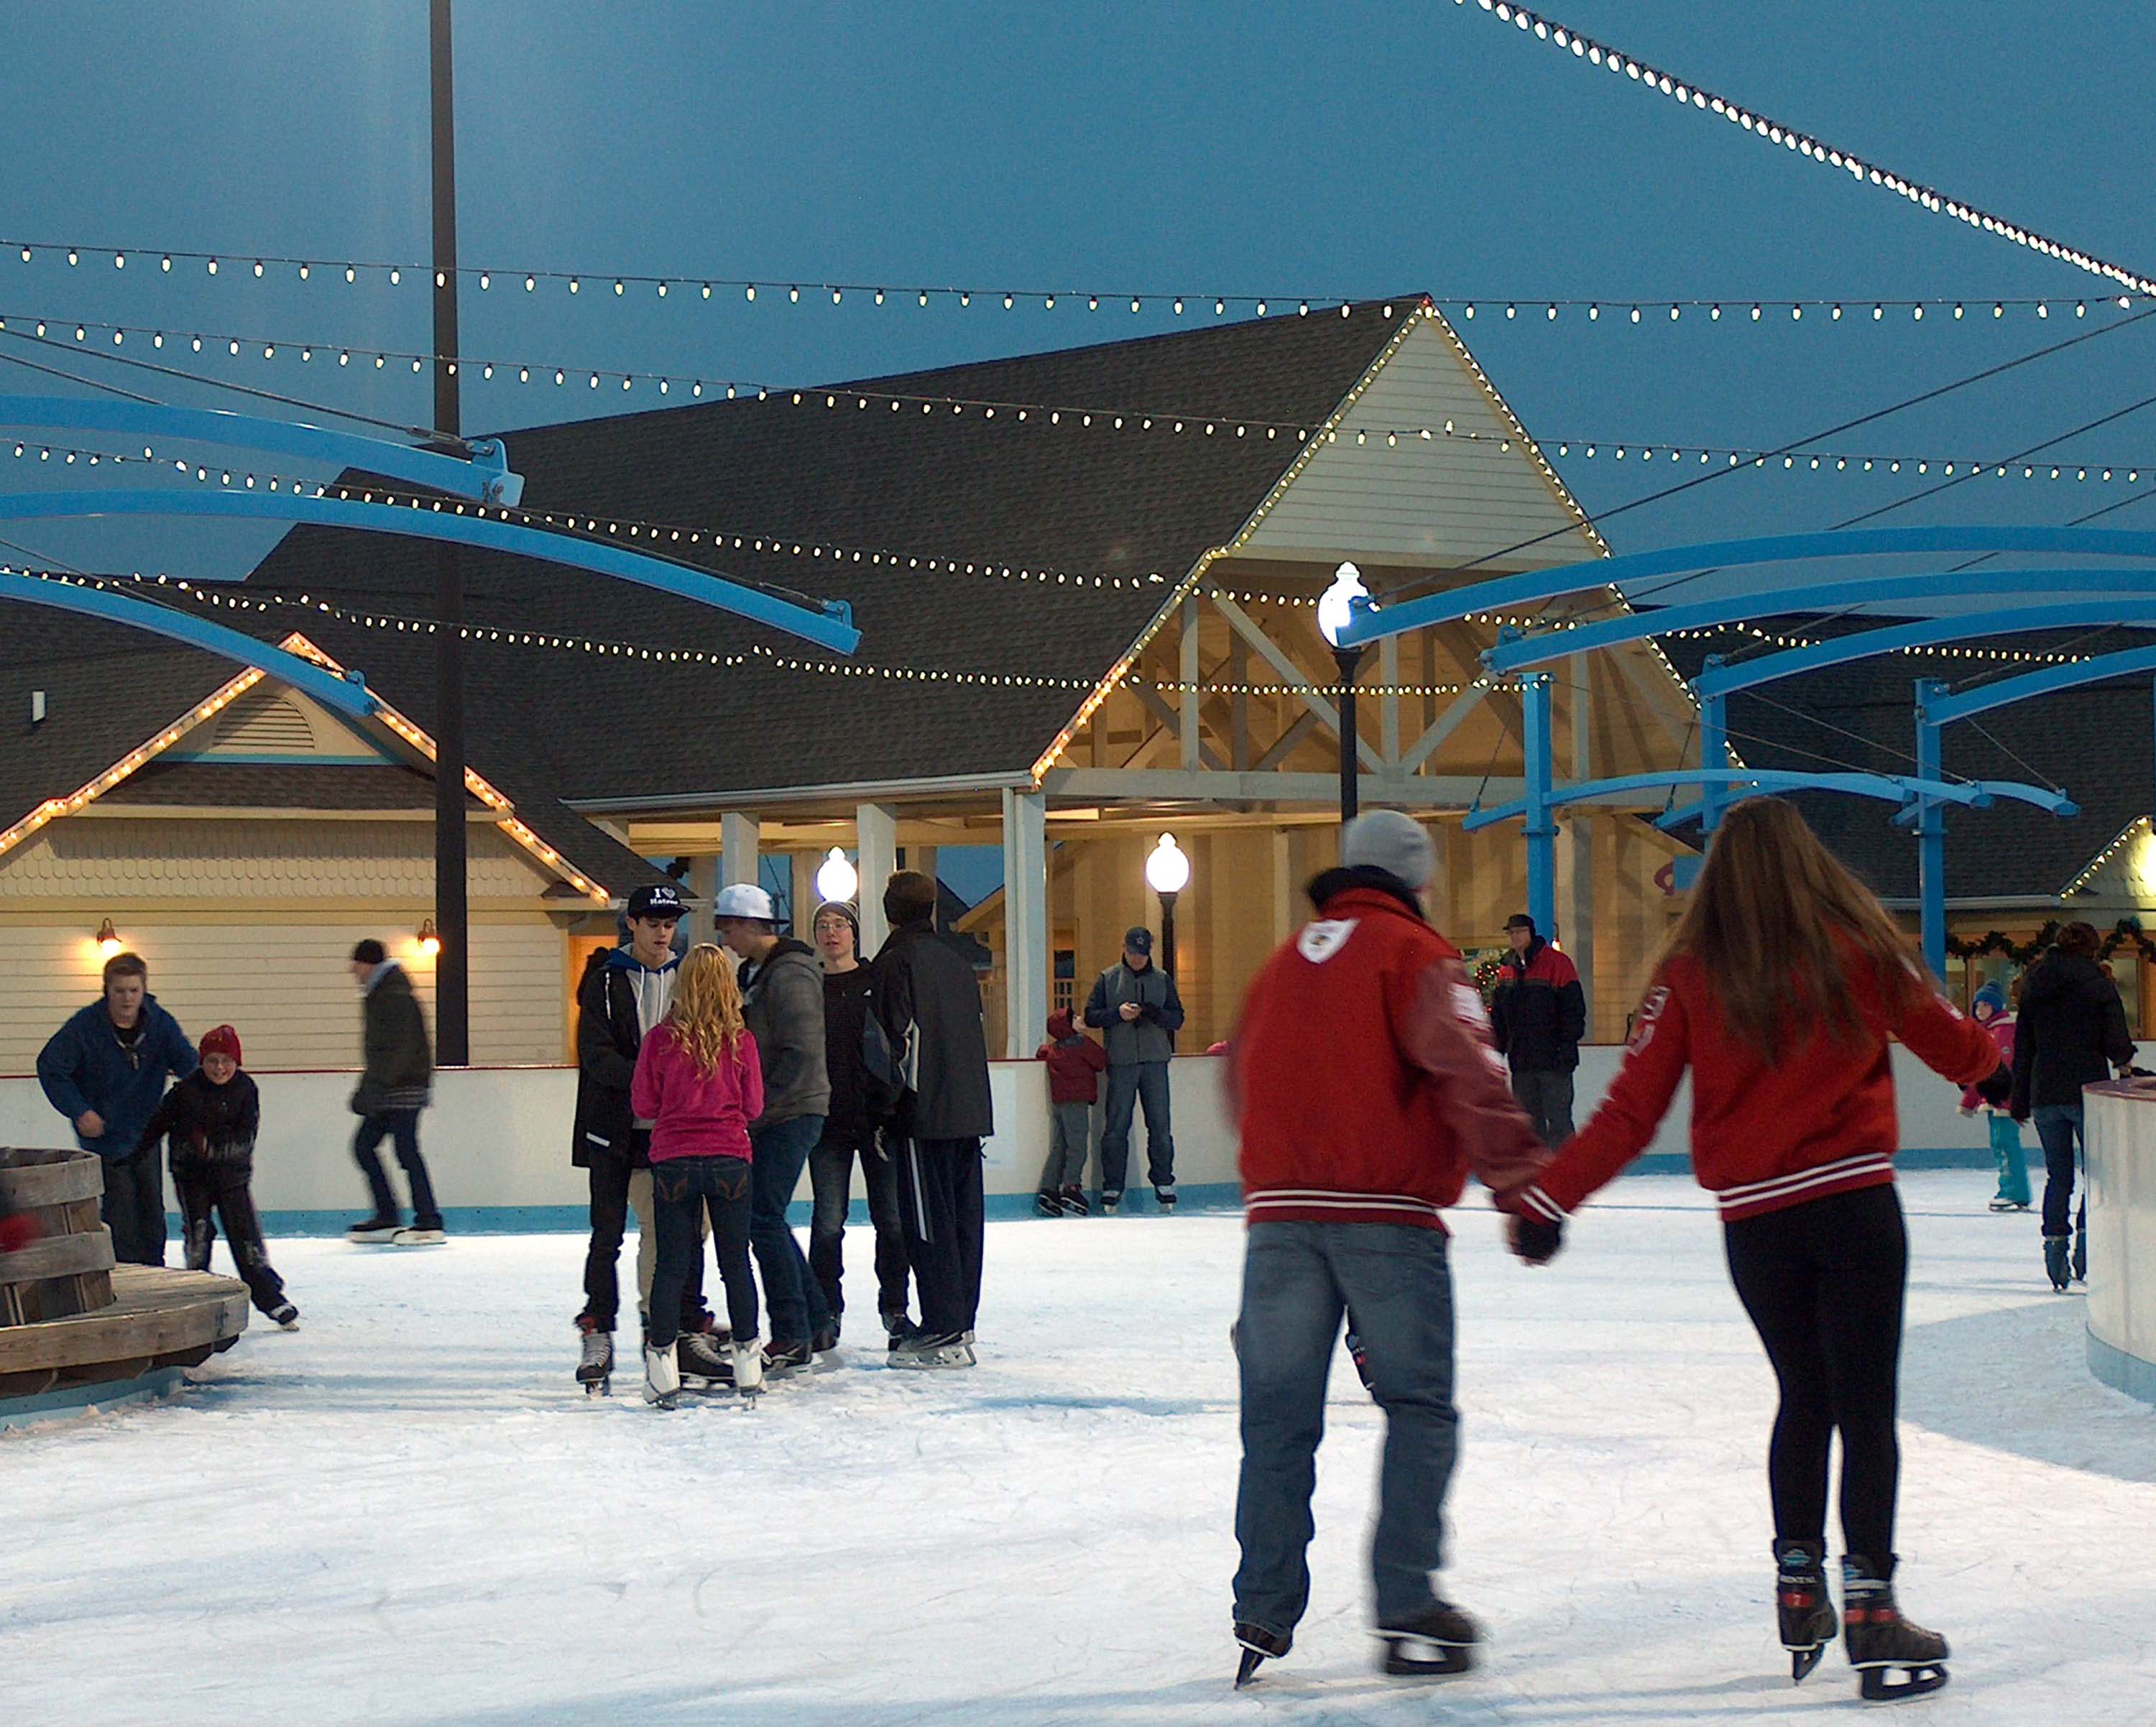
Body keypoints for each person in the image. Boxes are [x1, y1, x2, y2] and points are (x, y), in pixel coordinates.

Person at [1501, 797, 2009, 1702]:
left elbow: (1629, 1110)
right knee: (1865, 1405)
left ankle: (1799, 1583)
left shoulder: (1689, 975)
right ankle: (1873, 1608)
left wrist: (1549, 1198)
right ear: (1808, 865)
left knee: (1804, 1395)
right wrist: (1996, 1074)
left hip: (1758, 1226)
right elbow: (1944, 1032)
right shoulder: (1855, 946)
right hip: (1854, 1210)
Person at [1225, 809, 1545, 1687]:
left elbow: (1237, 1077)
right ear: (1416, 879)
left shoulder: (1281, 965)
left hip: (1281, 1224)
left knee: (1277, 1423)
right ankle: (1406, 1603)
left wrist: (1280, 1171)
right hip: (1387, 1223)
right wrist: (1523, 1188)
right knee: (1419, 1407)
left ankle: (1262, 1604)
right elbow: (1472, 1075)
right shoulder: (1419, 958)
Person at [571, 883, 727, 1394]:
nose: (663, 931)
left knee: (682, 1232)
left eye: (670, 922)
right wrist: (656, 1080)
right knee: (608, 1231)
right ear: (632, 924)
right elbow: (596, 1055)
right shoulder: (605, 980)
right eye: (653, 921)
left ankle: (680, 1324)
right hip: (614, 1130)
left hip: (672, 1130)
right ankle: (598, 1325)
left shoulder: (686, 980)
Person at [629, 944, 767, 1409]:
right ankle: (749, 1363)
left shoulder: (659, 1040)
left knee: (672, 1264)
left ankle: (663, 1370)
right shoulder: (741, 1041)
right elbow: (754, 1107)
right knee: (736, 1264)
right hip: (730, 1158)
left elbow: (644, 1106)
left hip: (674, 1160)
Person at [870, 870, 995, 1368]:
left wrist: (884, 1109)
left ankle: (942, 1325)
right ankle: (960, 1320)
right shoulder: (957, 961)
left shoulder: (896, 961)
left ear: (889, 911)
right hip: (967, 1108)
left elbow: (889, 1045)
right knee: (965, 1221)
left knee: (929, 1223)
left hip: (922, 1112)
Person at [715, 882, 833, 1373]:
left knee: (762, 1218)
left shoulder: (789, 976)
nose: (726, 939)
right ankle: (815, 1320)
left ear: (748, 925)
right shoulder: (761, 973)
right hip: (785, 1110)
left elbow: (800, 1051)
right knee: (767, 1218)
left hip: (793, 1110)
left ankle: (791, 1332)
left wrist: (757, 1111)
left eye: (728, 927)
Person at [37, 950, 196, 1266]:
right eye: (119, 991)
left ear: (143, 990)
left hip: (146, 1133)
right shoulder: (85, 1027)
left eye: (134, 991)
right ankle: (126, 1276)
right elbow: (51, 1067)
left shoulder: (160, 1024)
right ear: (106, 990)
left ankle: (154, 1272)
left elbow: (188, 1063)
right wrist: (80, 1111)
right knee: (120, 1211)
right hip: (105, 1135)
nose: (127, 999)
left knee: (152, 1210)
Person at [135, 1025, 297, 1328]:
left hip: (231, 1178)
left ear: (237, 1062)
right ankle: (198, 1300)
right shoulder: (185, 1092)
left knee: (246, 1239)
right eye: (212, 1061)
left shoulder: (245, 1089)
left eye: (226, 1060)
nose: (220, 1068)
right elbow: (156, 1126)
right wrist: (134, 1155)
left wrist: (213, 1149)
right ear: (202, 1061)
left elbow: (246, 1136)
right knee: (198, 1238)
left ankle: (270, 1299)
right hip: (191, 1177)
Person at [806, 901, 913, 1345]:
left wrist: (892, 1104)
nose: (832, 933)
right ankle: (825, 1312)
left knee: (891, 1221)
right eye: (823, 926)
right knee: (828, 1222)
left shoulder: (876, 981)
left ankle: (896, 1309)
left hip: (878, 1122)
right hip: (827, 1124)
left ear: (854, 932)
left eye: (840, 925)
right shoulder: (809, 987)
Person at [2009, 921, 2135, 1291]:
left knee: (2058, 1175)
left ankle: (2054, 1249)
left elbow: (2024, 1049)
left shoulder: (2035, 984)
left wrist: (2020, 1100)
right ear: (2092, 948)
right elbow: (2117, 1041)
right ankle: (2085, 1247)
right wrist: (2125, 1065)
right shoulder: (2098, 985)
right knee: (2095, 1175)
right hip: (2087, 1091)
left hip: (2045, 1092)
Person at [344, 939, 446, 1246]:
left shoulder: (393, 995)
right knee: (365, 1146)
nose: (353, 971)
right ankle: (388, 1216)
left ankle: (428, 1220)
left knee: (404, 1151)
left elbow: (398, 1049)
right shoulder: (382, 993)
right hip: (392, 1087)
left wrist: (373, 1088)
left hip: (403, 1088)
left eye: (357, 964)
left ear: (369, 964)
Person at [1083, 926, 1186, 1212]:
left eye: (1142, 954)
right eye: (1132, 953)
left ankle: (1164, 1181)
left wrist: (1156, 1014)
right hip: (1122, 1061)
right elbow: (1091, 1016)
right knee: (1116, 1126)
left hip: (1155, 1061)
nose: (1137, 959)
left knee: (1160, 1125)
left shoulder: (1162, 979)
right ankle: (1112, 1185)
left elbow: (1177, 1019)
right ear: (1124, 948)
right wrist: (1117, 1014)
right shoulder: (1108, 978)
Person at [1489, 912, 1587, 1148]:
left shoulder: (1557, 964)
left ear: (1531, 933)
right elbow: (1500, 1018)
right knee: (1529, 1124)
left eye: (1520, 932)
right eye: (1511, 933)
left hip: (1554, 1060)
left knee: (1559, 1121)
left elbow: (1573, 1011)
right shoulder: (1506, 970)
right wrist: (1497, 1050)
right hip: (1522, 1061)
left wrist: (1566, 1047)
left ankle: (1564, 1172)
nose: (1515, 937)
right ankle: (1537, 1174)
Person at [1961, 980, 2031, 1212]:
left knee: (2005, 1144)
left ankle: (2012, 1191)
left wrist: (1969, 1102)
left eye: (1985, 1005)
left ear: (1996, 1007)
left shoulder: (2000, 1033)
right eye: (1977, 1006)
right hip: (1996, 1099)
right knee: (2002, 1143)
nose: (1980, 1010)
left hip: (2002, 1100)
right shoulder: (1989, 1032)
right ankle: (2015, 1191)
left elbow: (1992, 1071)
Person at [1034, 1007, 1107, 1216]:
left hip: (1060, 1103)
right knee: (1077, 1146)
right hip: (1076, 1102)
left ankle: (1049, 1188)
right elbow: (1101, 1060)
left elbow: (1042, 1052)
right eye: (1074, 1018)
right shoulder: (1081, 1044)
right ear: (1068, 1027)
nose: (1080, 1019)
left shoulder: (1053, 1049)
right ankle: (1071, 1186)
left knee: (1061, 1145)